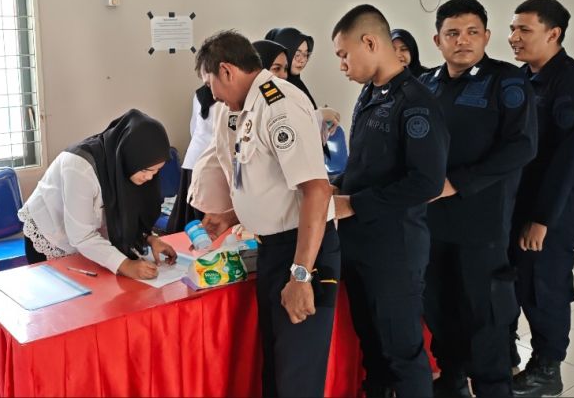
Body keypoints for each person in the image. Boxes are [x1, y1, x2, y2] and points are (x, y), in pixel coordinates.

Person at [190, 30, 338, 397]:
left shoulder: (279, 105)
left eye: (210, 83)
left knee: (296, 376)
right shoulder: (247, 108)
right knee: (276, 368)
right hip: (274, 248)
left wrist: (301, 275)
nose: (213, 94)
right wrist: (231, 216)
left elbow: (316, 190)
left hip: (302, 251)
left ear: (227, 71)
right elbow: (269, 183)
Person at [418, 0, 537, 398]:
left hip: (482, 225)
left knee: (485, 319)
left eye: (472, 32)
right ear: (437, 40)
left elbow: (522, 146)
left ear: (486, 36)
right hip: (431, 224)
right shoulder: (426, 84)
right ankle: (451, 384)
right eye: (452, 33)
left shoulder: (507, 81)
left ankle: (492, 387)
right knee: (440, 311)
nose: (462, 40)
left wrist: (458, 182)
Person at [330, 5, 449, 398]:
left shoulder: (416, 102)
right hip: (359, 242)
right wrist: (336, 187)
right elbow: (366, 165)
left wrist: (354, 204)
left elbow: (426, 182)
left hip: (394, 248)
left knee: (402, 350)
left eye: (344, 55)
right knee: (372, 344)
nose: (342, 65)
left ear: (370, 42)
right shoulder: (370, 93)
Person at [508, 0, 574, 397]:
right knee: (514, 284)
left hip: (553, 212)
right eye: (512, 29)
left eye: (524, 30)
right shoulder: (522, 79)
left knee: (543, 287)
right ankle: (508, 354)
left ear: (553, 33)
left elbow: (568, 161)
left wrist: (542, 219)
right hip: (517, 204)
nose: (514, 37)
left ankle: (547, 369)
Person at [18, 109, 178, 279]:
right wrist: (125, 265)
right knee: (63, 291)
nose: (150, 177)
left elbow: (129, 210)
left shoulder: (126, 165)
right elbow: (81, 236)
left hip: (89, 240)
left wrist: (148, 238)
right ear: (130, 157)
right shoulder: (80, 168)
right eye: (146, 170)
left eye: (156, 171)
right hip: (51, 234)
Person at [165, 84, 216, 233]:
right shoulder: (226, 98)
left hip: (193, 158)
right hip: (210, 162)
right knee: (204, 215)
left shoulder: (199, 94)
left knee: (189, 213)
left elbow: (193, 128)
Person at [265, 27, 318, 109]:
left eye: (305, 54)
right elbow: (280, 114)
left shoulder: (297, 83)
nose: (302, 60)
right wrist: (319, 114)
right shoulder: (269, 86)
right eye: (297, 54)